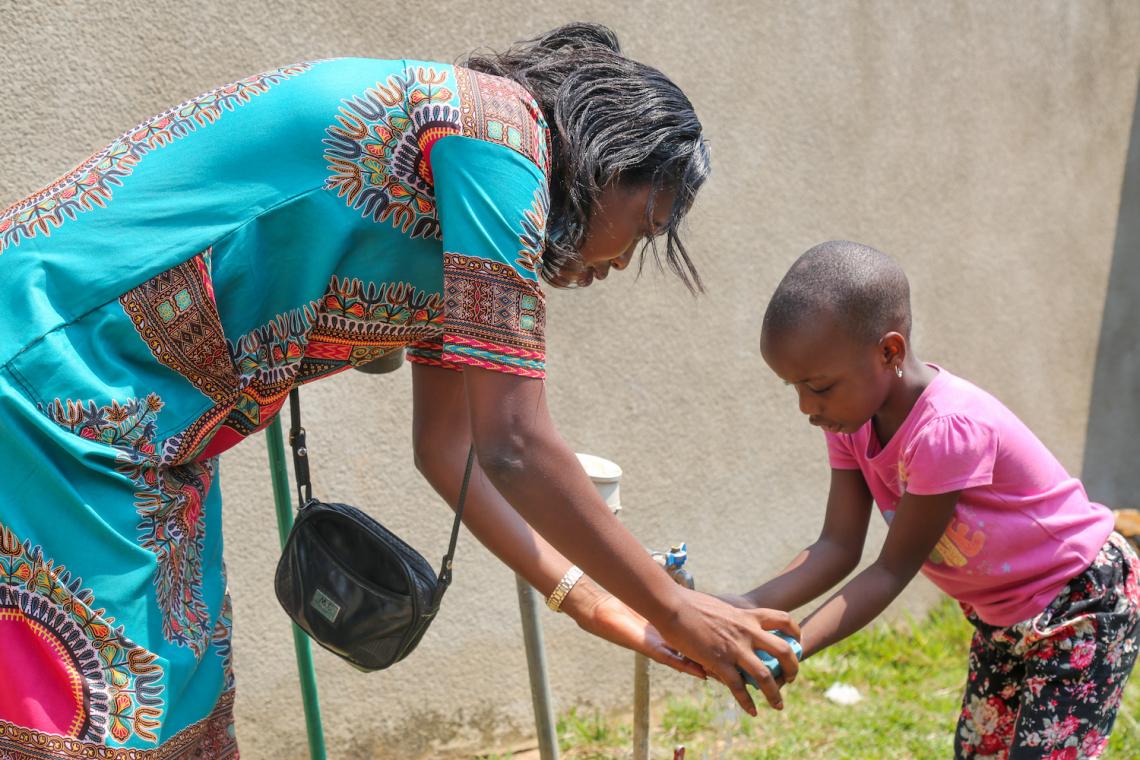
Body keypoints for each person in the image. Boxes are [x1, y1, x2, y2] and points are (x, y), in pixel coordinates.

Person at [0, 23, 797, 757]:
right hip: (59, 377)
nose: (624, 263)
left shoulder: (477, 218)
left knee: (178, 702)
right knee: (112, 716)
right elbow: (513, 445)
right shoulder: (499, 140)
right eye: (648, 226)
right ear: (612, 156)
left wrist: (597, 605)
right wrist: (673, 604)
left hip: (138, 434)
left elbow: (449, 450)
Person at [726, 239, 1140, 758]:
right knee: (979, 751)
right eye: (795, 388)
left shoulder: (946, 430)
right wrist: (743, 607)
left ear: (889, 352)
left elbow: (890, 569)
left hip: (1081, 599)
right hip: (1002, 615)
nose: (807, 406)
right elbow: (837, 544)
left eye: (820, 386)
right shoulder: (850, 421)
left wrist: (793, 644)